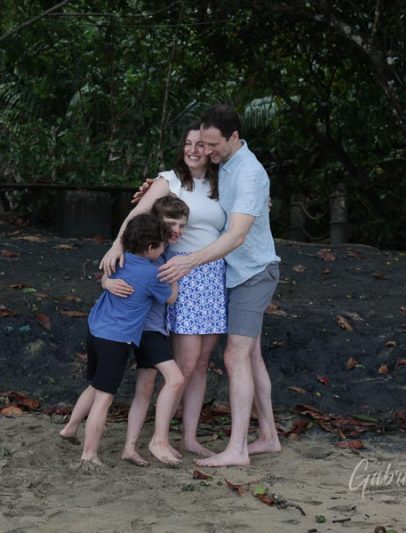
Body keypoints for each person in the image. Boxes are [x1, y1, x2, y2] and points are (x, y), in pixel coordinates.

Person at [157, 104, 281, 467]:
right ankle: (268, 436)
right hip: (234, 273)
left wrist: (192, 260)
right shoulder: (227, 164)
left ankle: (238, 449)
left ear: (234, 138)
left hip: (252, 274)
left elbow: (239, 234)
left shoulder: (249, 174)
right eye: (203, 145)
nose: (207, 152)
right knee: (252, 355)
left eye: (213, 145)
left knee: (235, 355)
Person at [100, 122, 228, 458]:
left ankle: (189, 436)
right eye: (188, 143)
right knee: (182, 364)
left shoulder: (223, 183)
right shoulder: (168, 180)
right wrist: (117, 246)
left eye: (201, 145)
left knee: (200, 363)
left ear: (214, 149)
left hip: (213, 274)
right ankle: (159, 438)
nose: (193, 150)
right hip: (177, 271)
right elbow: (138, 214)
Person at [59, 214, 178, 466]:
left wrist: (105, 281)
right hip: (117, 339)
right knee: (104, 397)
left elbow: (105, 277)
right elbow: (169, 298)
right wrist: (174, 278)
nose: (164, 249)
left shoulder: (119, 260)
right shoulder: (152, 273)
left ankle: (70, 427)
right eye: (162, 245)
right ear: (150, 248)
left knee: (95, 385)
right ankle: (89, 454)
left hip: (96, 329)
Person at [102, 196, 189, 466]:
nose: (177, 231)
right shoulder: (150, 254)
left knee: (145, 387)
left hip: (150, 329)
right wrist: (106, 282)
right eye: (171, 224)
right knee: (175, 379)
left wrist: (107, 281)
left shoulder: (159, 252)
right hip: (148, 329)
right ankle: (158, 440)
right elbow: (112, 270)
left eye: (182, 226)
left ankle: (130, 446)